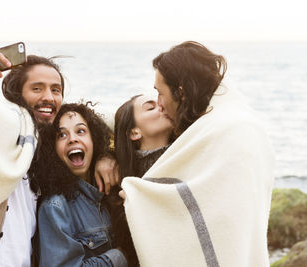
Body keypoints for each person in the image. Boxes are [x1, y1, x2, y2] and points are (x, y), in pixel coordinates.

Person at [0, 39, 118, 267]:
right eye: (37, 88)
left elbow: (112, 121)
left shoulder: (48, 147)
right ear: (17, 93)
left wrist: (106, 155)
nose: (49, 97)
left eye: (56, 90)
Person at [120, 41, 275, 267]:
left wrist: (140, 197)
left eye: (160, 94)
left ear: (180, 92)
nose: (160, 104)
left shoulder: (231, 129)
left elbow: (213, 203)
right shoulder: (209, 123)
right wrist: (106, 152)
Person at [30, 103, 127, 267]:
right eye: (61, 135)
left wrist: (108, 155)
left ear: (94, 138)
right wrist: (121, 255)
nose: (73, 139)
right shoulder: (55, 207)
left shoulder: (114, 184)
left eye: (81, 131)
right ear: (52, 149)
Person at [110, 94, 174, 267]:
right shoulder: (126, 185)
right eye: (150, 107)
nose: (161, 106)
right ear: (134, 132)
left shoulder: (190, 151)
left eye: (160, 102)